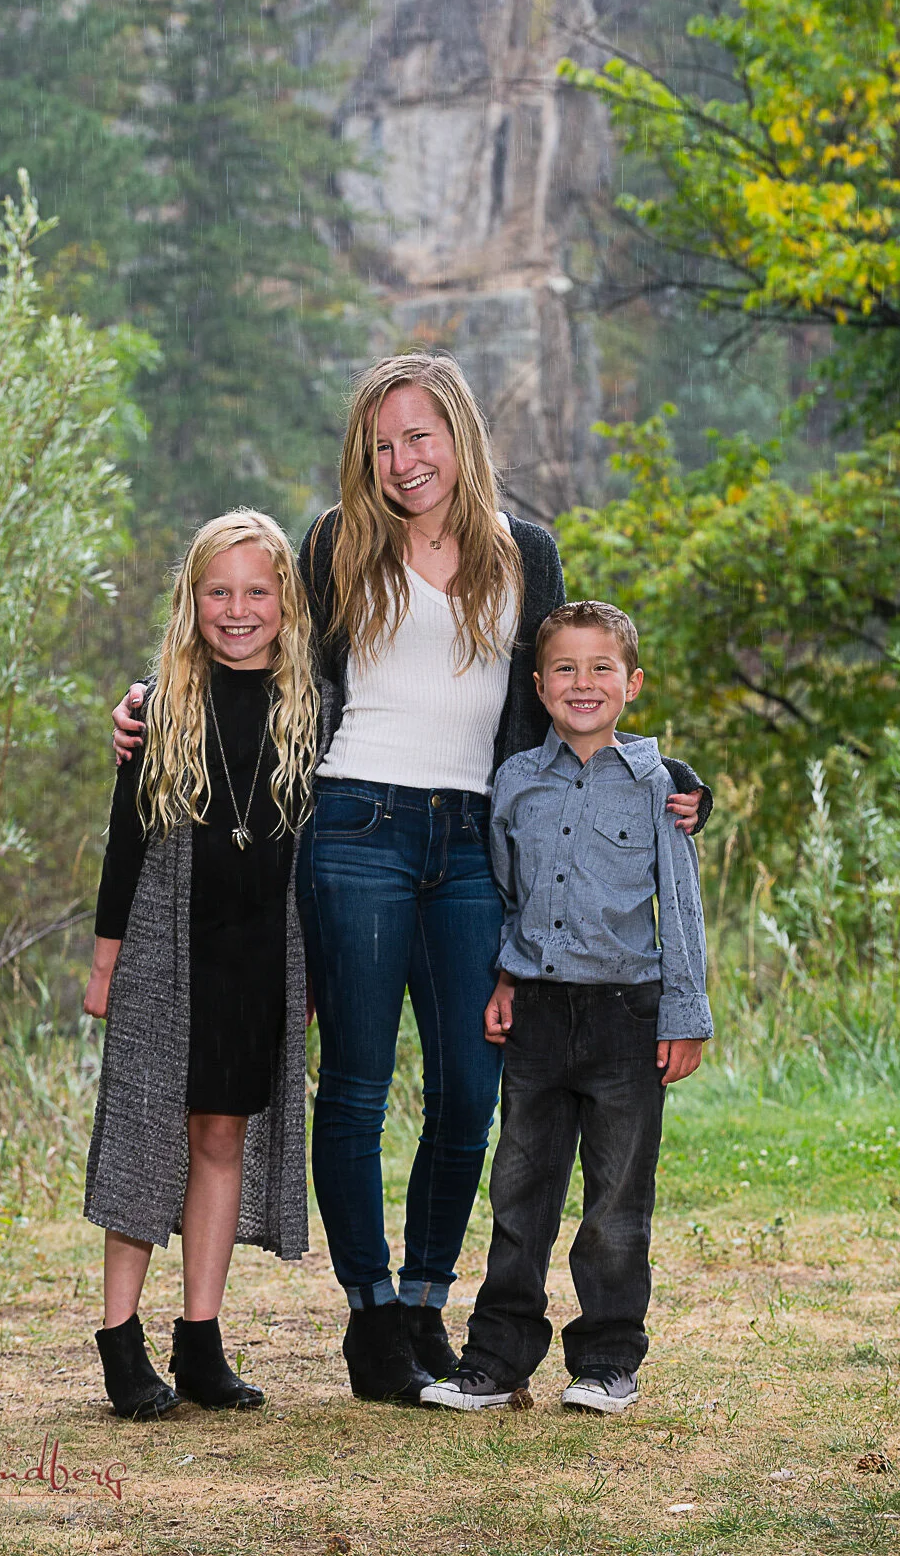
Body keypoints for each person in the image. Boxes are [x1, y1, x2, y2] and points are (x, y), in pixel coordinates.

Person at [112, 353, 711, 1406]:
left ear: (458, 437)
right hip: (355, 827)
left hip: (473, 838)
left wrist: (666, 773)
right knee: (353, 1083)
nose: (402, 461)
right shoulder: (335, 543)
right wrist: (150, 702)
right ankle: (372, 1316)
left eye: (419, 437)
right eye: (382, 444)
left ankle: (428, 1301)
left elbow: (561, 698)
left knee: (469, 1088)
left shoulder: (525, 552)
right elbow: (257, 648)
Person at [421, 600, 712, 1415]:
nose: (583, 684)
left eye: (600, 668)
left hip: (627, 1017)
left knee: (616, 1204)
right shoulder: (515, 782)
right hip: (539, 1019)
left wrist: (684, 1014)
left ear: (631, 683)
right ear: (539, 683)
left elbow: (679, 906)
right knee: (518, 1196)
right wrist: (505, 981)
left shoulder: (661, 787)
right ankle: (495, 1361)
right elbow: (508, 898)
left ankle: (607, 1361)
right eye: (564, 669)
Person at [84, 509, 317, 1420]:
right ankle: (119, 1341)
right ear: (192, 599)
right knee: (147, 1142)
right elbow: (123, 843)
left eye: (256, 591)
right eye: (218, 591)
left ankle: (201, 1342)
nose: (237, 609)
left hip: (258, 957)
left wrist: (313, 977)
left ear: (285, 601)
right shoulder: (157, 708)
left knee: (221, 1137)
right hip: (165, 952)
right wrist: (104, 968)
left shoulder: (313, 706)